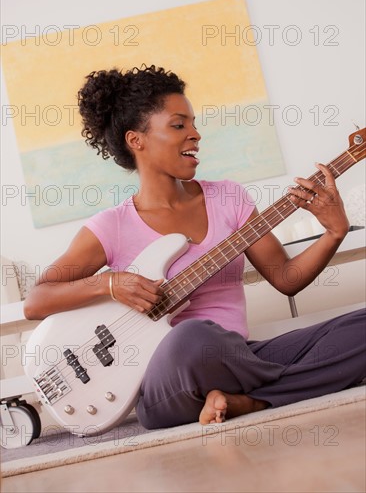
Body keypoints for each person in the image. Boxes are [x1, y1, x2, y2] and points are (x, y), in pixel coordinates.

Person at [24, 65, 365, 429]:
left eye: (193, 124)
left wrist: (334, 231)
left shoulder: (229, 197)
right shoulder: (113, 225)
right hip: (168, 377)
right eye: (179, 125)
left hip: (237, 357)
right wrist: (110, 284)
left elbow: (286, 278)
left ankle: (246, 402)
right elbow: (37, 300)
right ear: (136, 140)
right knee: (193, 335)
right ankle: (287, 384)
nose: (196, 135)